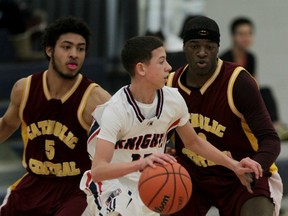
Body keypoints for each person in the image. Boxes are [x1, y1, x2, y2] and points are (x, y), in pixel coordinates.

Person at [79, 35, 263, 216]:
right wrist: (141, 164)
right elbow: (98, 171)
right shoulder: (116, 110)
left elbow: (194, 142)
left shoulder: (173, 100)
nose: (169, 67)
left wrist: (234, 165)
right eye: (161, 62)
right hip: (111, 183)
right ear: (141, 69)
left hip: (149, 183)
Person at [166, 16, 283, 216]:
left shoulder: (238, 81)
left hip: (239, 174)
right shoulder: (169, 85)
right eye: (195, 46)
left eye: (209, 46)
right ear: (184, 47)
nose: (202, 53)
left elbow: (270, 139)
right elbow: (159, 135)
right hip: (192, 175)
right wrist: (166, 150)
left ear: (218, 49)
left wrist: (257, 165)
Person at [0, 16, 111, 216]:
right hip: (34, 183)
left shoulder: (96, 98)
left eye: (81, 48)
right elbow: (7, 124)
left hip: (77, 188)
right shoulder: (24, 89)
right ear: (49, 50)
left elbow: (124, 142)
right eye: (66, 47)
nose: (74, 55)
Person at [220, 17, 288, 141]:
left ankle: (275, 125)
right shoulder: (224, 59)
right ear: (233, 36)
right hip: (230, 99)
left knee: (265, 91)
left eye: (249, 34)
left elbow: (254, 83)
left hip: (246, 96)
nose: (246, 38)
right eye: (241, 34)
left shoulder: (251, 57)